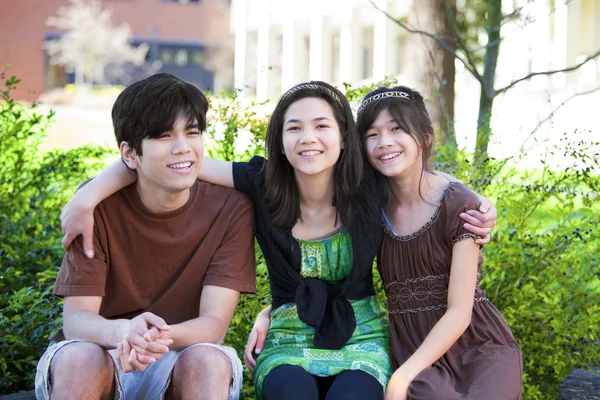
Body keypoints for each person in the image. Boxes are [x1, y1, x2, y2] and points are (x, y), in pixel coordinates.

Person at [60, 81, 496, 400]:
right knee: (291, 394)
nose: (309, 138)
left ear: (344, 138)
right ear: (280, 142)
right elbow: (175, 161)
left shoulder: (367, 187)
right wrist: (87, 196)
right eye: (294, 128)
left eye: (322, 125)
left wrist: (476, 204)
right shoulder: (261, 183)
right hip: (288, 336)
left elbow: (422, 181)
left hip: (360, 336)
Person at [35, 73, 257, 400]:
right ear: (130, 154)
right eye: (164, 136)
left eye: (192, 132)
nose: (183, 148)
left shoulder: (231, 209)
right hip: (104, 347)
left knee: (209, 360)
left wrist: (150, 337)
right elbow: (77, 321)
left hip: (182, 349)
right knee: (80, 358)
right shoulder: (97, 206)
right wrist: (124, 332)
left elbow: (213, 325)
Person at [356, 85, 523, 400]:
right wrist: (275, 308)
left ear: (426, 137)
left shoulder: (459, 204)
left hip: (478, 345)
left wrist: (402, 375)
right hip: (416, 348)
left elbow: (460, 312)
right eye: (372, 134)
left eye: (397, 129)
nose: (385, 142)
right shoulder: (368, 209)